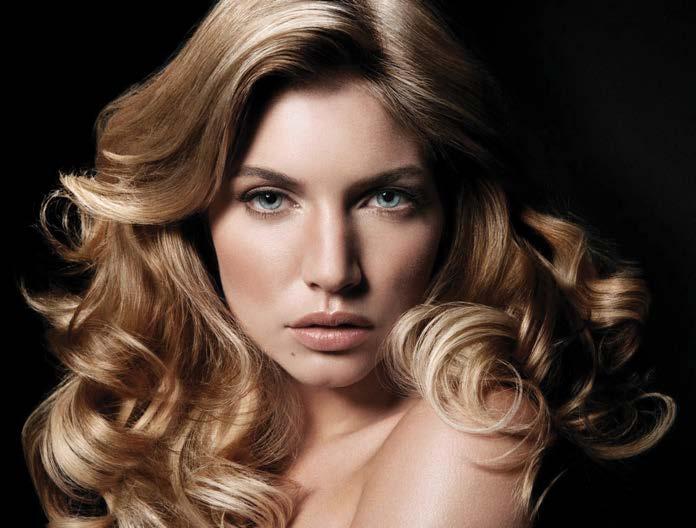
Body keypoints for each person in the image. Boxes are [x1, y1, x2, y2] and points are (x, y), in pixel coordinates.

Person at [19, 0, 677, 526]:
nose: (334, 271)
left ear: (450, 214)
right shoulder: (185, 443)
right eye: (269, 199)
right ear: (195, 217)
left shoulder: (471, 437)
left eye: (386, 198)